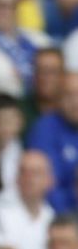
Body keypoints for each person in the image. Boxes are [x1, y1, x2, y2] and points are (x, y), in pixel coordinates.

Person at [27, 72, 78, 212]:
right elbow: (47, 186)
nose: (75, 102)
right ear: (58, 99)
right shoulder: (45, 129)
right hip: (61, 216)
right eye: (69, 95)